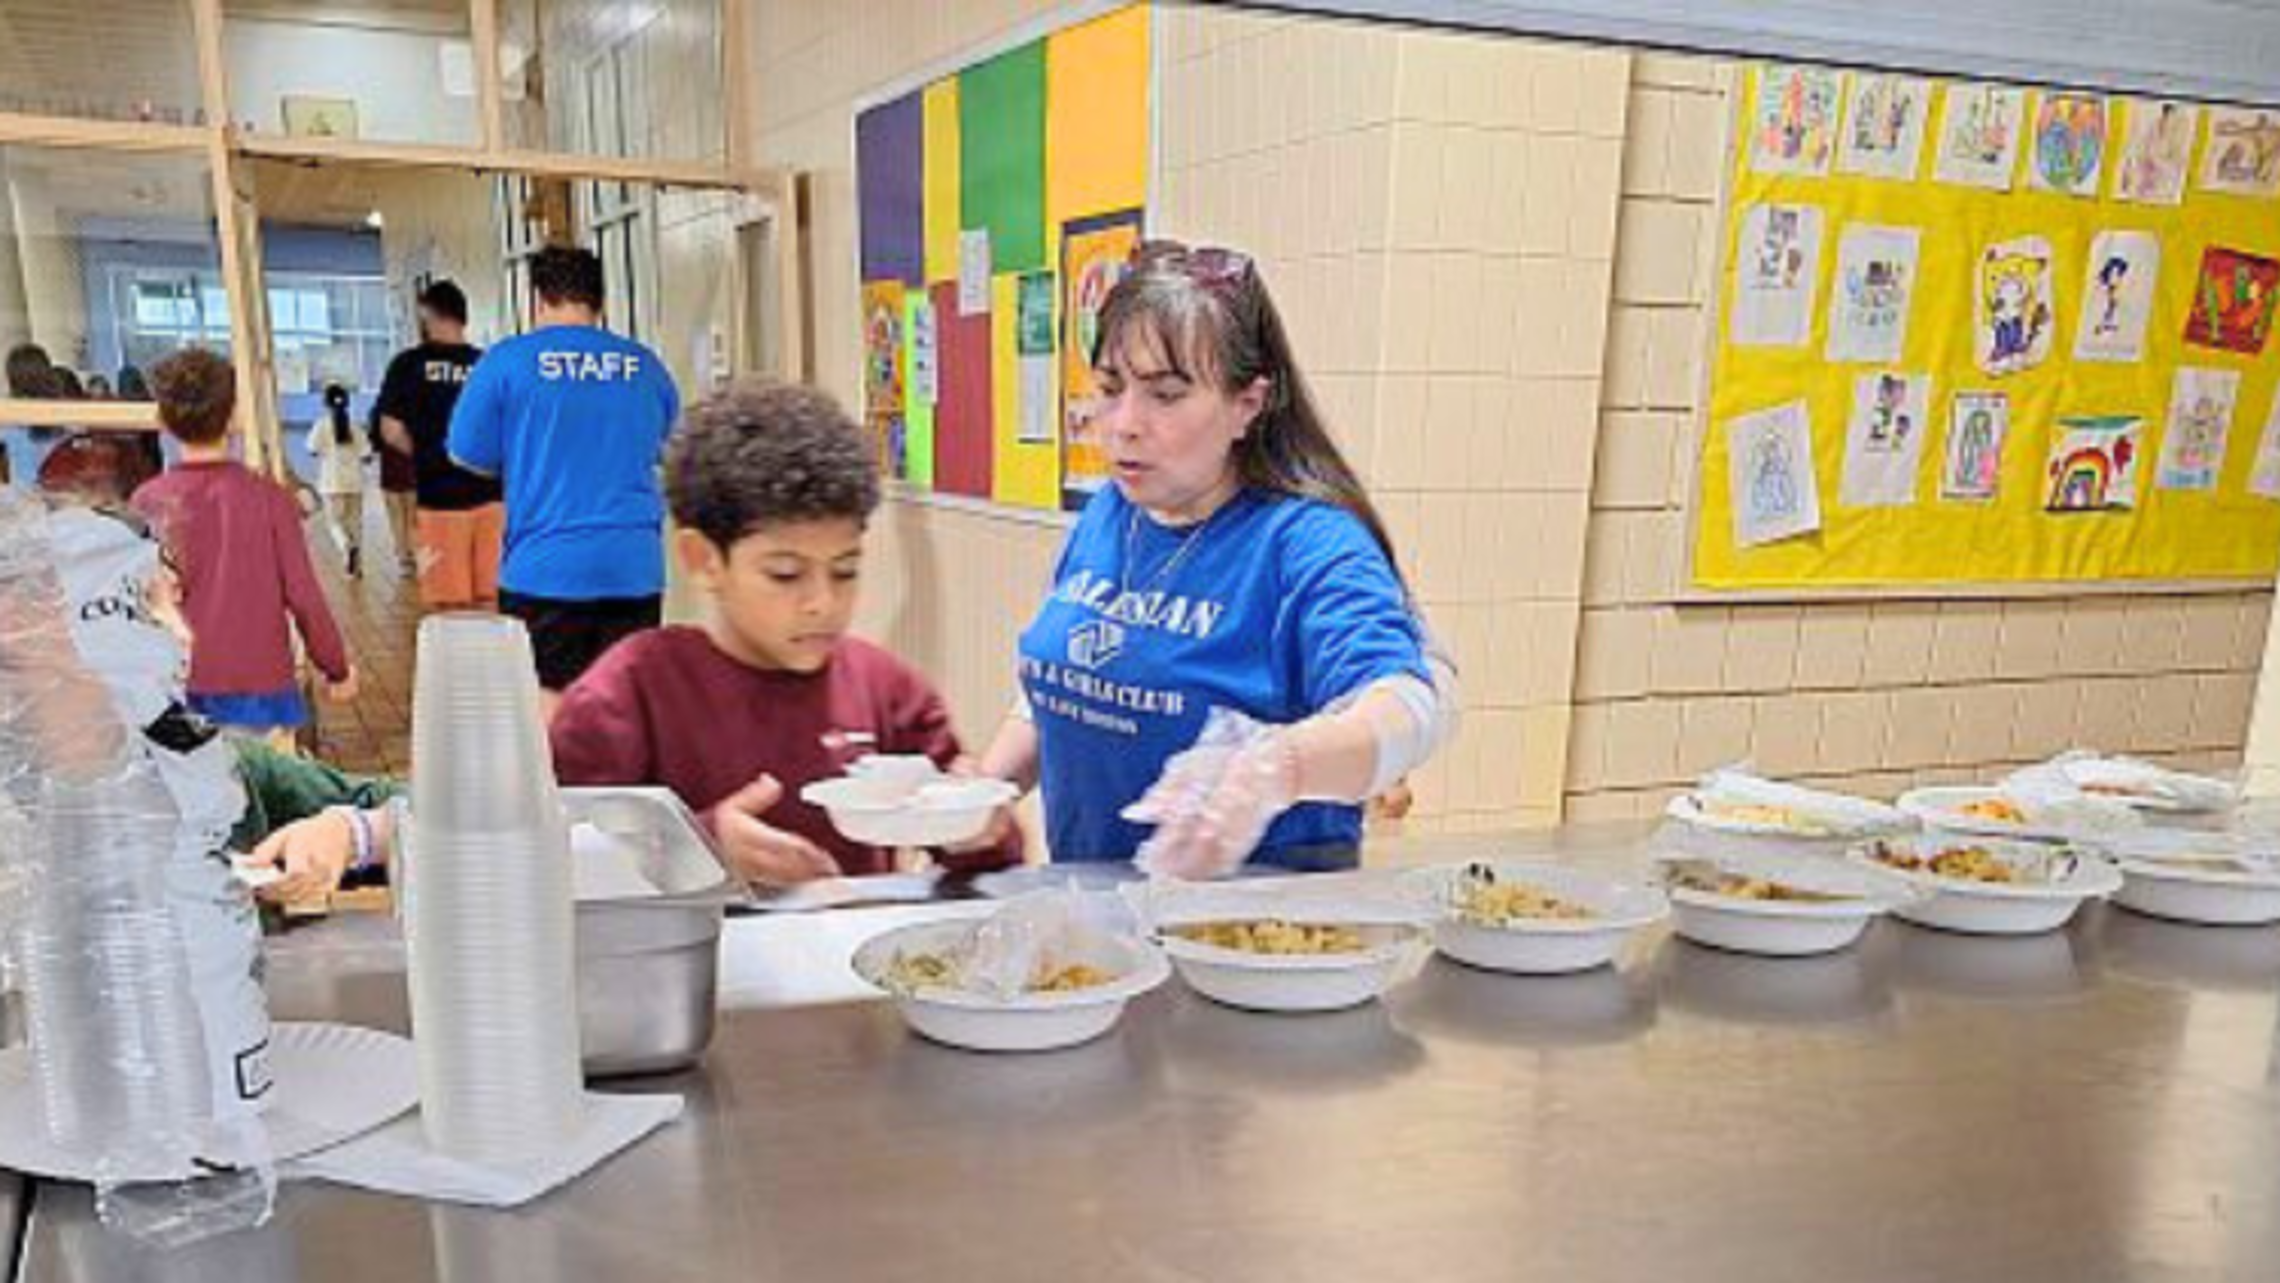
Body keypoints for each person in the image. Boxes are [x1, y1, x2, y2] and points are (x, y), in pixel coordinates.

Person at [975, 241, 1449, 878]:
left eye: (1166, 395)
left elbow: (1407, 706)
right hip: (1101, 930)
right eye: (1110, 388)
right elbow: (1059, 690)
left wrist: (1275, 767)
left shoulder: (1304, 543)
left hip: (1258, 946)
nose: (1123, 424)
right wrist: (980, 794)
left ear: (1246, 405)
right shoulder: (1110, 512)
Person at [549, 381, 1019, 885]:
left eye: (844, 571)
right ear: (704, 560)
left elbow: (995, 864)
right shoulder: (632, 690)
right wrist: (699, 846)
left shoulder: (886, 690)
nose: (823, 603)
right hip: (691, 958)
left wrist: (978, 828)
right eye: (785, 574)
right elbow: (557, 861)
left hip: (844, 955)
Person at [448, 245, 679, 712]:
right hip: (632, 569)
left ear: (538, 298)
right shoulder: (645, 365)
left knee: (547, 724)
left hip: (545, 571)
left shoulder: (506, 362)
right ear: (600, 301)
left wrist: (530, 459)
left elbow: (467, 456)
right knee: (625, 714)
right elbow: (673, 452)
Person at [129, 348, 356, 738]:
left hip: (176, 685)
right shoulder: (269, 499)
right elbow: (303, 595)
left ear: (162, 420)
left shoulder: (146, 503)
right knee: (260, 788)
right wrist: (335, 666)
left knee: (197, 792)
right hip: (259, 685)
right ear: (234, 414)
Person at [375, 280, 498, 610]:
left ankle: (459, 662)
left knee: (448, 605)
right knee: (492, 599)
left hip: (438, 498)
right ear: (464, 317)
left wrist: (426, 455)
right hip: (492, 500)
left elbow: (389, 429)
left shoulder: (408, 365)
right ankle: (493, 661)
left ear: (427, 315)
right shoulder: (489, 364)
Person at [306, 383, 373, 577]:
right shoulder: (355, 427)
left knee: (335, 523)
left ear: (325, 403)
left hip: (331, 482)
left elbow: (311, 449)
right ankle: (355, 569)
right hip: (355, 482)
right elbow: (367, 456)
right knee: (355, 525)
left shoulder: (321, 425)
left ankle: (345, 546)